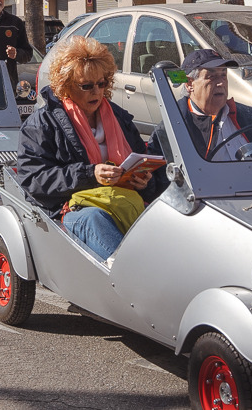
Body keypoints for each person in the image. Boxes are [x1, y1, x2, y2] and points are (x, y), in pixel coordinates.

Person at [16, 36, 167, 261]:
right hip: (72, 208)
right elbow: (33, 179)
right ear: (66, 85)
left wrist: (144, 182)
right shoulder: (42, 123)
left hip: (124, 201)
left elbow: (144, 166)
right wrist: (90, 174)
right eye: (86, 86)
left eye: (101, 83)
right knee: (95, 219)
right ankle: (128, 275)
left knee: (169, 220)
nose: (96, 91)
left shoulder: (119, 117)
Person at [163, 48, 252, 161]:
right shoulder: (176, 125)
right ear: (189, 84)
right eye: (211, 77)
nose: (220, 83)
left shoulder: (246, 117)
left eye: (223, 75)